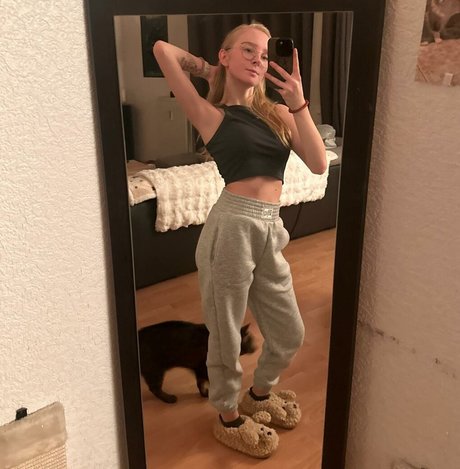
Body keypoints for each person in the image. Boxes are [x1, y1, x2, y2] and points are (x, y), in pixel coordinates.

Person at [153, 22, 326, 458]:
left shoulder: (280, 113)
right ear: (225, 55)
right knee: (226, 332)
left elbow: (319, 163)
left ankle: (259, 394)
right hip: (230, 228)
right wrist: (211, 71)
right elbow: (161, 49)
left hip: (270, 228)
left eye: (265, 55)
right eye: (247, 50)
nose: (258, 60)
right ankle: (228, 415)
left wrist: (298, 102)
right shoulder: (211, 115)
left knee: (289, 331)